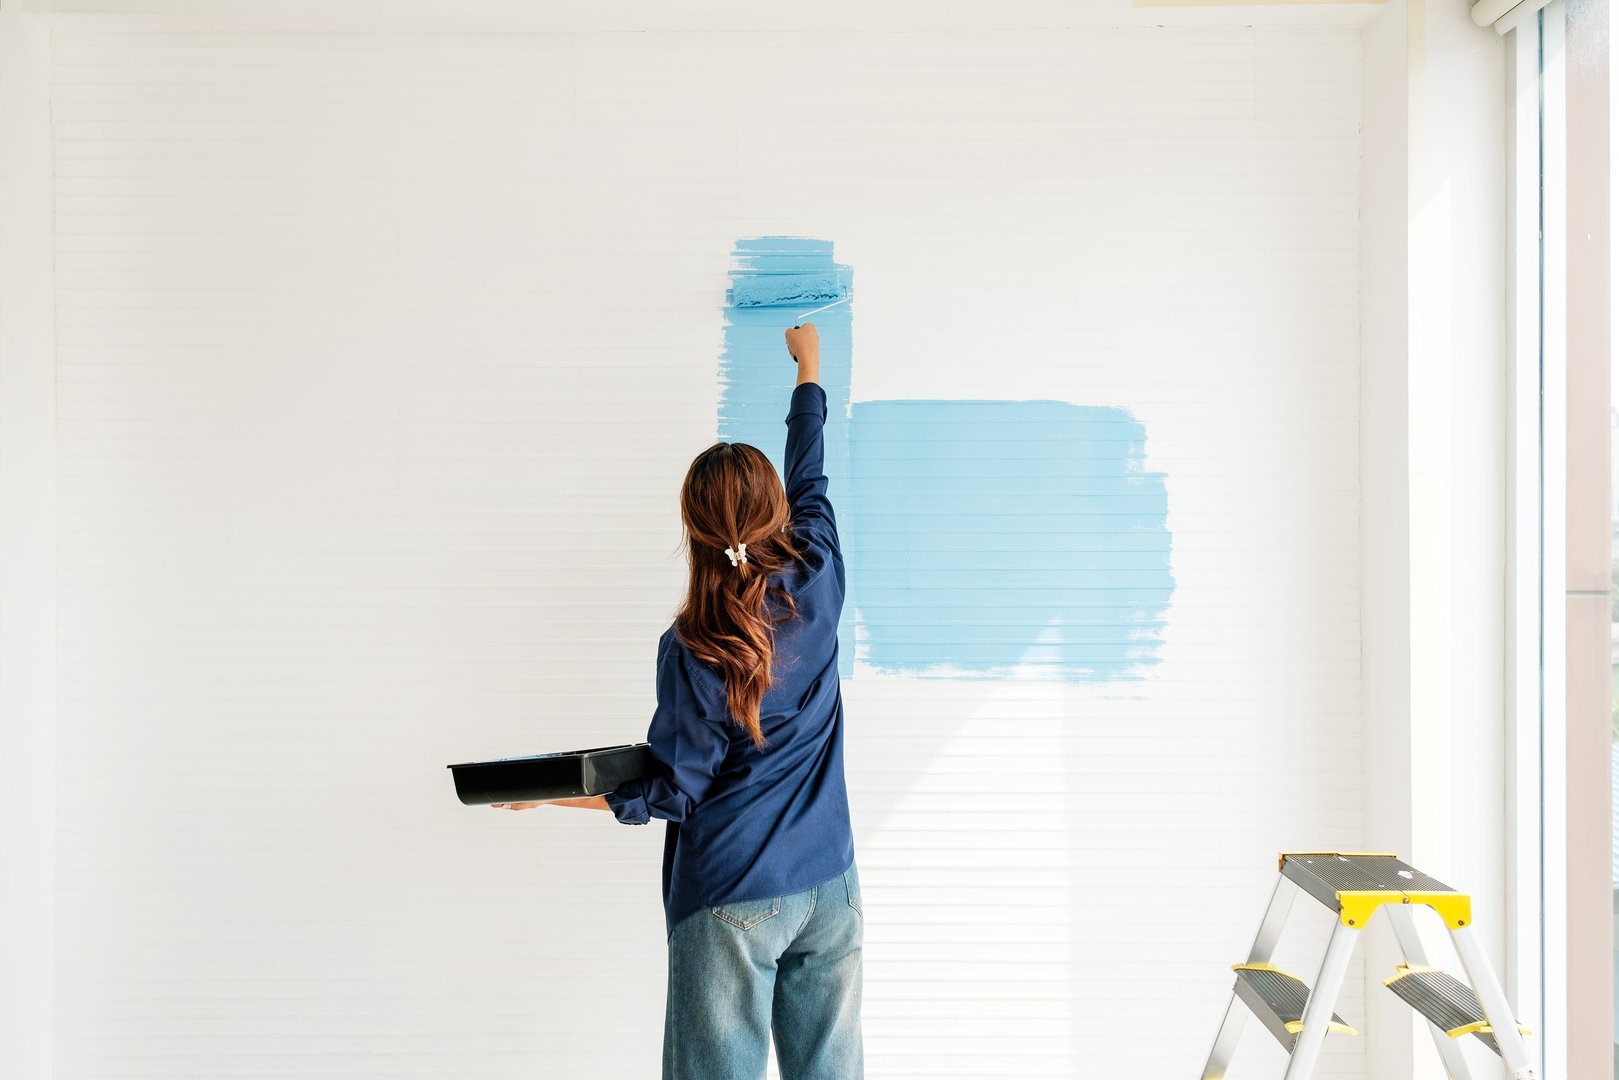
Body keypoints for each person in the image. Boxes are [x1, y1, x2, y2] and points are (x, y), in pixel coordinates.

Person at [493, 321, 862, 1080]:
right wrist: (809, 365)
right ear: (776, 514)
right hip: (831, 884)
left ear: (694, 529)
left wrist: (552, 793)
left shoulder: (696, 646)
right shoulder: (819, 569)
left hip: (733, 899)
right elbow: (811, 473)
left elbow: (673, 791)